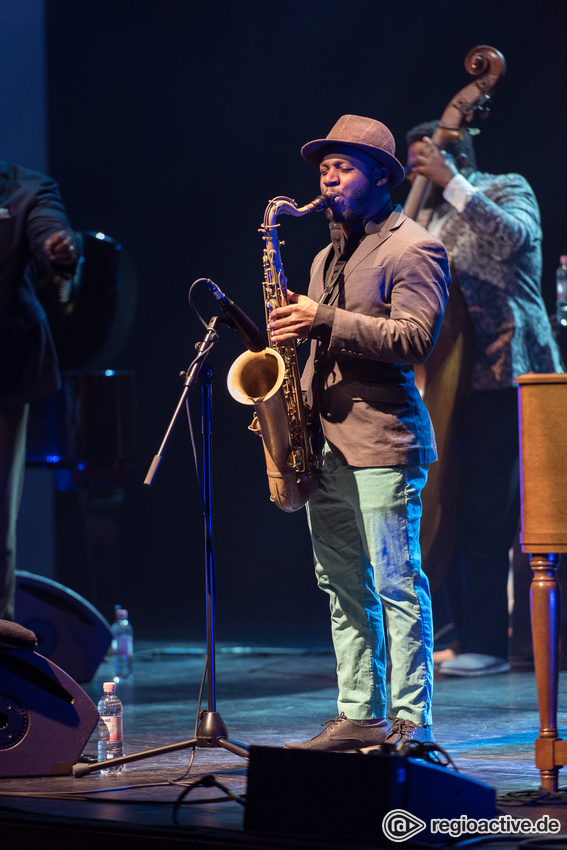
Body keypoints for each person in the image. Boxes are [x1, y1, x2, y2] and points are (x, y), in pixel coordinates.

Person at [269, 114, 450, 750]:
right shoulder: (321, 257)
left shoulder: (415, 246)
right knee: (341, 584)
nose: (327, 177)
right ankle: (357, 710)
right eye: (323, 168)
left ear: (380, 175)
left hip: (382, 439)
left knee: (396, 580)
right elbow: (321, 339)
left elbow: (413, 339)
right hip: (322, 443)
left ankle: (410, 719)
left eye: (341, 167)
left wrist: (324, 318)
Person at [404, 120, 563, 677]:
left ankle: (494, 643)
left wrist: (450, 182)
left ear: (452, 153)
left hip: (508, 373)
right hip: (447, 381)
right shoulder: (426, 217)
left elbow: (511, 239)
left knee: (492, 511)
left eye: (422, 160)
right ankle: (457, 633)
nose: (414, 172)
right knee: (444, 510)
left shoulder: (504, 188)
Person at [0, 159, 78, 622]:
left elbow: (54, 236)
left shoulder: (26, 189)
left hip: (7, 369)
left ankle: (3, 660)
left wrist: (62, 251)